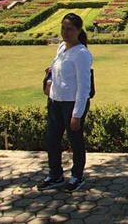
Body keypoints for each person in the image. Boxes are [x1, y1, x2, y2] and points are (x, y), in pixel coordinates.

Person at [37, 13, 93, 193]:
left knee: (75, 140)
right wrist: (49, 82)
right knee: (52, 138)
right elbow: (55, 69)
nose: (65, 32)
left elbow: (84, 87)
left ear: (78, 31)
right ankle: (56, 174)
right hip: (56, 102)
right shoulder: (61, 47)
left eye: (70, 29)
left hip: (72, 103)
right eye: (63, 28)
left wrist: (77, 114)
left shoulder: (82, 53)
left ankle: (77, 175)